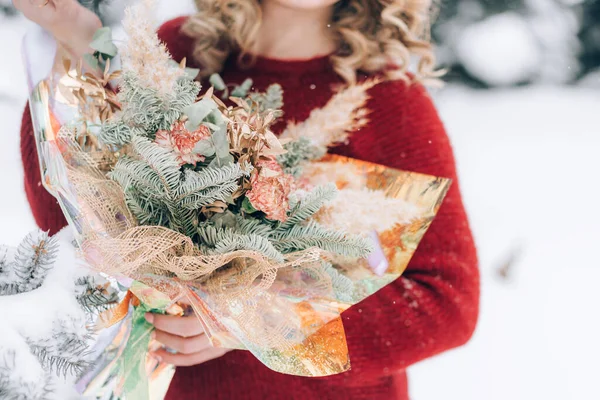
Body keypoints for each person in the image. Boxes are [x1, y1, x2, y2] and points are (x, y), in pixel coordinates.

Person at [15, 0, 480, 399]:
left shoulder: (387, 101)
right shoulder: (176, 54)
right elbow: (69, 218)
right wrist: (76, 40)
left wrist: (254, 324)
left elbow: (447, 302)